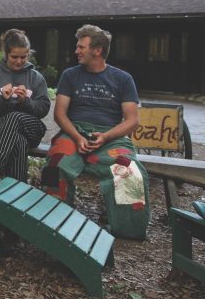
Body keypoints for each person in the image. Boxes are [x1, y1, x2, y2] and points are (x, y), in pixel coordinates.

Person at [42, 24, 150, 240]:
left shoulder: (122, 79)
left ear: (97, 50)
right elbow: (60, 114)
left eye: (81, 46)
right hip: (75, 132)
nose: (76, 51)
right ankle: (53, 221)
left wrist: (106, 136)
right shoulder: (70, 75)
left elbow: (132, 120)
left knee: (128, 169)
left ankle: (128, 230)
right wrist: (77, 137)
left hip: (110, 137)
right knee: (56, 164)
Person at [0, 29, 50, 191]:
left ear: (28, 54)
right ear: (5, 54)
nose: (19, 61)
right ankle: (18, 192)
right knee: (18, 142)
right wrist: (3, 100)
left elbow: (44, 108)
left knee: (15, 117)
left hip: (31, 128)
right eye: (14, 57)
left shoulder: (36, 77)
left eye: (23, 57)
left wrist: (26, 102)